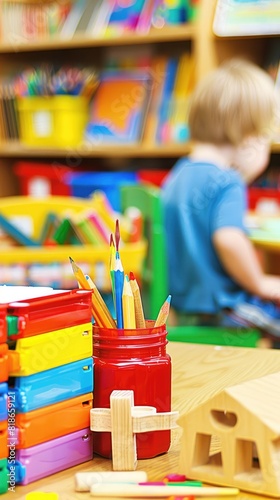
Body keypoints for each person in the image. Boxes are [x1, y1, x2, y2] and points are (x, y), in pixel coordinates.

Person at [161, 58, 280, 341]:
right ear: (248, 137)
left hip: (185, 305)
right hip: (223, 309)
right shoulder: (228, 182)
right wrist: (260, 282)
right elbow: (228, 239)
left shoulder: (178, 174)